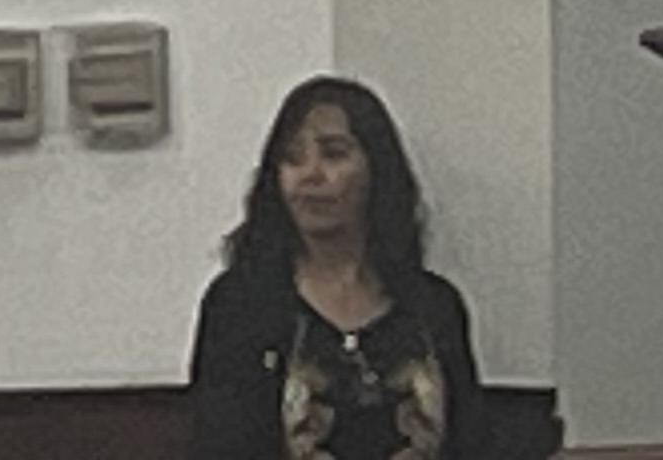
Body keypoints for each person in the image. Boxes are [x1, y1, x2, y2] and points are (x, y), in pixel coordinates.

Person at [191, 76, 495, 460]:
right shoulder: (239, 305)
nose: (311, 175)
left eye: (333, 155)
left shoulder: (433, 307)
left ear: (376, 169)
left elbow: (469, 444)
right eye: (292, 159)